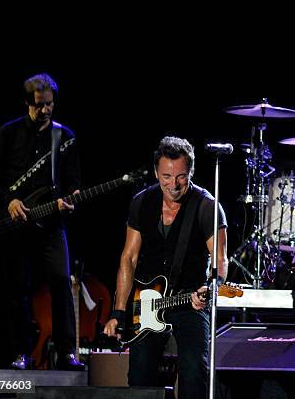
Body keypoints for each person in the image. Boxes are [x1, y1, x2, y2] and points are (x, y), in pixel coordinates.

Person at [104, 136, 228, 397]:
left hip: (189, 300)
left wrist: (209, 288)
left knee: (195, 371)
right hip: (147, 302)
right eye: (166, 176)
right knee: (139, 376)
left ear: (191, 172)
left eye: (181, 176)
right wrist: (119, 311)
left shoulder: (206, 207)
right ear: (155, 172)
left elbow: (220, 261)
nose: (173, 184)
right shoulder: (142, 202)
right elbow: (129, 258)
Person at [0, 73, 84, 370]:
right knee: (17, 290)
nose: (46, 111)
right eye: (40, 105)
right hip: (16, 226)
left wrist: (70, 199)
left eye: (50, 105)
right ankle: (20, 354)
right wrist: (8, 200)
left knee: (62, 283)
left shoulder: (65, 137)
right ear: (27, 103)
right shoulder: (7, 134)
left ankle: (66, 354)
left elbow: (74, 182)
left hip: (51, 224)